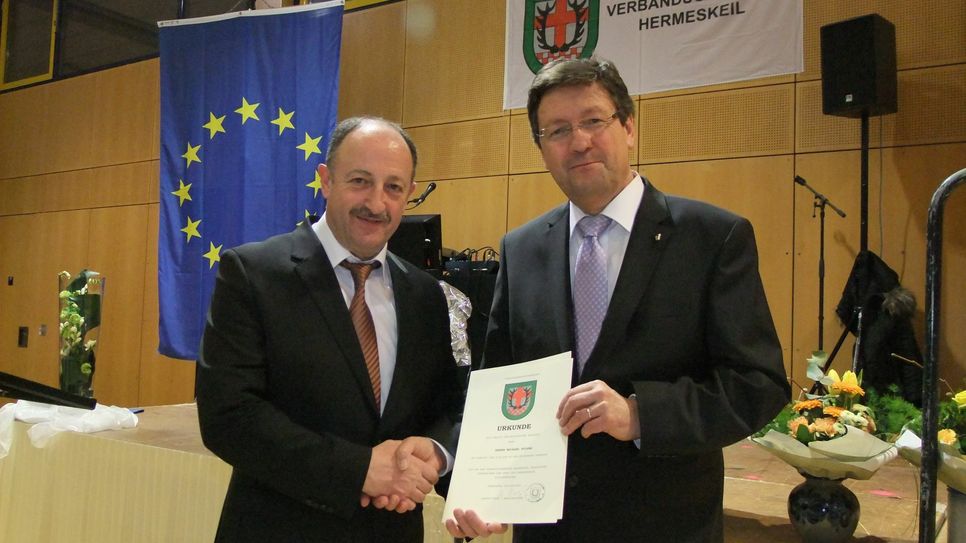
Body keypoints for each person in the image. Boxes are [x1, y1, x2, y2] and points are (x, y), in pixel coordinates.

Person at [446, 58, 790, 542]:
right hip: (548, 530)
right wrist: (479, 487)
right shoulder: (521, 250)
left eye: (593, 121)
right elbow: (501, 384)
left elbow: (758, 383)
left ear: (628, 127)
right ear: (542, 148)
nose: (579, 141)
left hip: (665, 526)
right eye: (558, 130)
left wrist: (641, 414)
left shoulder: (711, 238)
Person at [197, 116, 462, 542]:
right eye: (360, 180)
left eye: (394, 187)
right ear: (325, 180)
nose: (376, 203)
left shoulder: (426, 294)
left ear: (409, 194)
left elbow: (447, 406)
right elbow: (229, 416)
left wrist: (435, 453)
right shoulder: (252, 273)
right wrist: (358, 470)